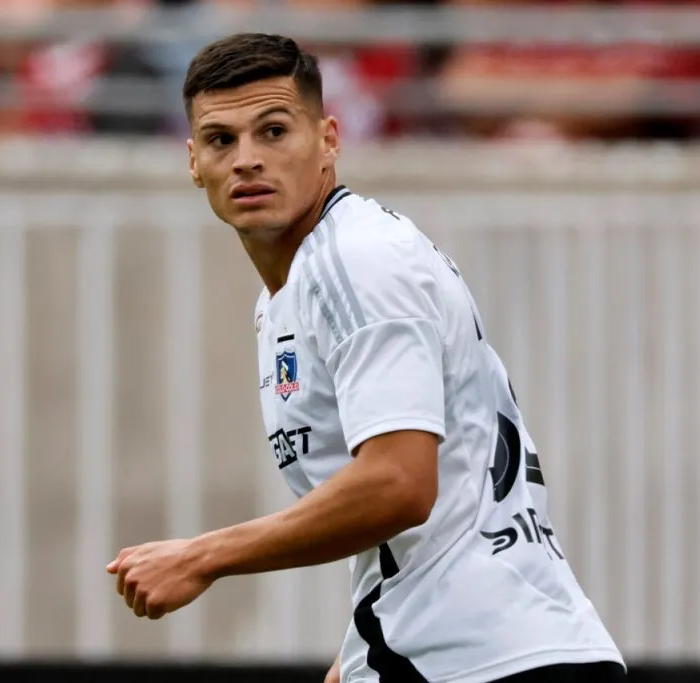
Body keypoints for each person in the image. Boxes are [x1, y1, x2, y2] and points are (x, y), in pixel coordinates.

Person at [106, 33, 626, 683]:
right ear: (192, 161)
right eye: (221, 140)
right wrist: (353, 657)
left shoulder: (355, 261)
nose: (246, 160)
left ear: (328, 139)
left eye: (273, 131)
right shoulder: (295, 289)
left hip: (489, 663)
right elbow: (421, 519)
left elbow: (398, 485)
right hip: (459, 652)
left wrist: (204, 555)